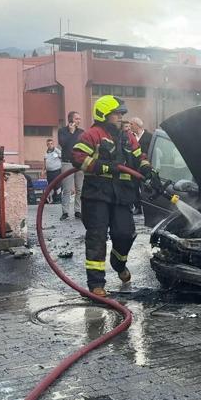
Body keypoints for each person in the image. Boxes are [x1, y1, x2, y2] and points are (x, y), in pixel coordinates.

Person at [71, 95, 159, 297]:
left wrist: (147, 170)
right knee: (97, 238)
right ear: (104, 115)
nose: (121, 118)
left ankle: (119, 263)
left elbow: (139, 157)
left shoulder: (127, 137)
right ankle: (96, 284)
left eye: (121, 114)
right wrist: (101, 165)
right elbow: (77, 157)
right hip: (97, 195)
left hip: (122, 195)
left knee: (125, 233)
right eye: (117, 114)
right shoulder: (92, 135)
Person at [59, 111, 85, 220]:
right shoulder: (62, 131)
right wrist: (71, 132)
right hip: (67, 162)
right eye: (77, 119)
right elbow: (63, 143)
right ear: (70, 120)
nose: (79, 120)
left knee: (80, 188)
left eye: (79, 119)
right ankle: (65, 212)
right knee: (67, 189)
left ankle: (78, 211)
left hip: (79, 163)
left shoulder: (82, 132)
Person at [42, 138, 62, 204]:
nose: (50, 145)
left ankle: (58, 199)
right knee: (50, 185)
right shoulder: (46, 153)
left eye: (51, 144)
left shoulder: (57, 151)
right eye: (48, 144)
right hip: (49, 172)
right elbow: (45, 162)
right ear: (46, 145)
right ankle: (51, 199)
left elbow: (62, 157)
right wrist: (43, 170)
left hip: (57, 171)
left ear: (53, 144)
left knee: (57, 185)